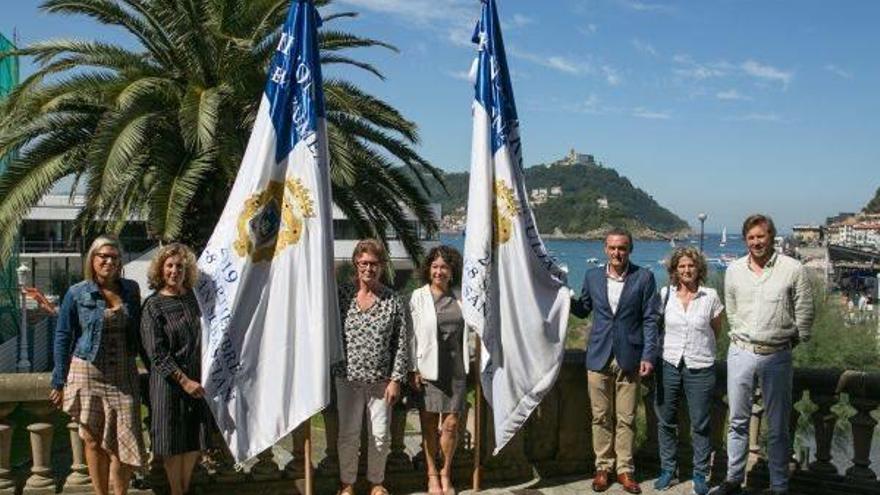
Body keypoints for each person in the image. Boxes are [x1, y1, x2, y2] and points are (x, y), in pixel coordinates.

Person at [713, 214, 814, 495]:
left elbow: (805, 309)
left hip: (777, 354)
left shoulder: (792, 269)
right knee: (737, 421)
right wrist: (741, 333)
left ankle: (779, 485)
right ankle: (733, 479)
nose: (756, 242)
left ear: (771, 237)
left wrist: (794, 339)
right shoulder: (733, 270)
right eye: (751, 237)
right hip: (741, 352)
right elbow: (731, 307)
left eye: (761, 236)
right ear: (746, 239)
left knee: (778, 425)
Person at [50, 236, 148, 495]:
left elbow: (139, 331)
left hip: (124, 373)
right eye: (102, 256)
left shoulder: (131, 290)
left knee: (125, 439)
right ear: (92, 260)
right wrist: (58, 381)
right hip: (88, 372)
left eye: (114, 257)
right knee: (92, 441)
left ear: (120, 262)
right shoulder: (76, 292)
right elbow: (63, 336)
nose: (108, 261)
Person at [571, 227, 660, 494]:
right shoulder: (592, 276)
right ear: (605, 250)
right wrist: (561, 295)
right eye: (612, 248)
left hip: (630, 357)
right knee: (600, 417)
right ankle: (603, 467)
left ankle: (625, 470)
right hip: (598, 355)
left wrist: (648, 354)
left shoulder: (644, 278)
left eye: (622, 248)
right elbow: (584, 310)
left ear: (629, 249)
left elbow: (650, 319)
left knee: (626, 418)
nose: (617, 252)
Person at [333, 239, 410, 495]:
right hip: (347, 379)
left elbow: (401, 342)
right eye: (364, 262)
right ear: (356, 263)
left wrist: (396, 379)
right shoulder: (341, 295)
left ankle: (376, 482)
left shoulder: (392, 300)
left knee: (379, 436)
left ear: (382, 266)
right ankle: (347, 484)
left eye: (374, 264)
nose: (369, 268)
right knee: (348, 435)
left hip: (381, 381)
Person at [140, 243, 211, 495]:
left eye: (180, 266)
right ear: (160, 269)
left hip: (197, 383)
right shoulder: (152, 306)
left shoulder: (194, 300)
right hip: (168, 386)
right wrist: (184, 381)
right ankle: (176, 491)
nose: (174, 270)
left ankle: (184, 487)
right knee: (172, 443)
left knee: (193, 439)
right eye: (169, 265)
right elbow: (156, 353)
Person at [653, 247, 724, 495]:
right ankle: (668, 470)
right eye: (681, 266)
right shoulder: (665, 295)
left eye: (691, 265)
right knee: (665, 421)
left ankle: (700, 474)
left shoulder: (710, 296)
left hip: (700, 366)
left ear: (699, 268)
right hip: (669, 364)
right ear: (674, 270)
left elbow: (716, 331)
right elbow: (656, 327)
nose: (686, 270)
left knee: (701, 423)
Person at [409, 246, 469, 495]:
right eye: (434, 266)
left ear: (451, 270)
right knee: (429, 423)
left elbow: (471, 332)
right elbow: (410, 336)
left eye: (444, 266)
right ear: (428, 269)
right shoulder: (418, 297)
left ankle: (446, 473)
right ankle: (432, 475)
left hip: (456, 370)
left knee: (452, 425)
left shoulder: (461, 297)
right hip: (428, 370)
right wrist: (412, 369)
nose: (439, 271)